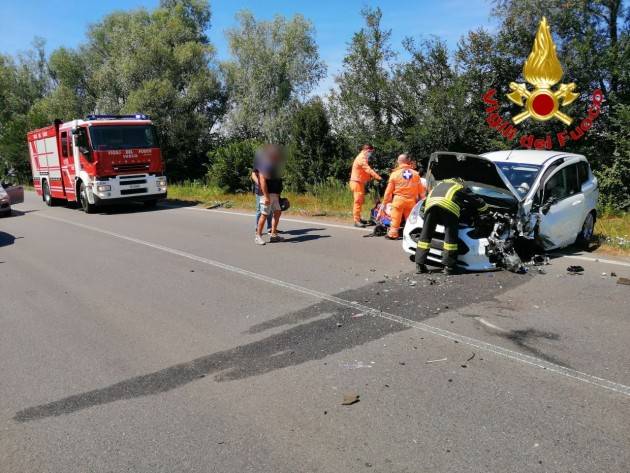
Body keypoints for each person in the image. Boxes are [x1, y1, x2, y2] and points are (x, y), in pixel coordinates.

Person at [415, 178, 489, 275]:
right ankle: (449, 267)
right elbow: (474, 200)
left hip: (430, 207)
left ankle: (419, 265)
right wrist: (485, 209)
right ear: (460, 181)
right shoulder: (459, 186)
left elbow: (426, 199)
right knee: (450, 237)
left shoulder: (439, 185)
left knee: (425, 235)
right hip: (448, 207)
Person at [381, 154, 425, 240]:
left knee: (395, 219)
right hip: (411, 202)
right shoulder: (416, 174)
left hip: (398, 201)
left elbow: (388, 192)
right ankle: (410, 237)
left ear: (398, 162)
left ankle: (393, 234)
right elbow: (421, 191)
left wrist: (384, 203)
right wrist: (423, 201)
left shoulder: (394, 174)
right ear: (408, 161)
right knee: (410, 221)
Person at [254, 145, 284, 246]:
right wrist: (266, 196)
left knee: (277, 212)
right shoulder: (265, 164)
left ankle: (273, 235)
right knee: (264, 214)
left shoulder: (276, 166)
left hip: (275, 194)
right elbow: (262, 180)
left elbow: (278, 181)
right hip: (267, 194)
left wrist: (279, 196)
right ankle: (258, 236)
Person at [349, 144, 382, 227]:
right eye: (371, 152)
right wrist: (378, 177)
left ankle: (358, 218)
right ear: (367, 150)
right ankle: (356, 221)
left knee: (360, 202)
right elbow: (368, 169)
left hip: (359, 182)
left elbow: (364, 172)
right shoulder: (361, 158)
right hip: (356, 183)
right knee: (357, 202)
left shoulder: (363, 157)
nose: (371, 154)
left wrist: (370, 178)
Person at [251, 170, 272, 234]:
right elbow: (253, 175)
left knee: (269, 210)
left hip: (269, 190)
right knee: (259, 210)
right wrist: (259, 183)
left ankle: (270, 228)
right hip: (259, 191)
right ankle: (257, 229)